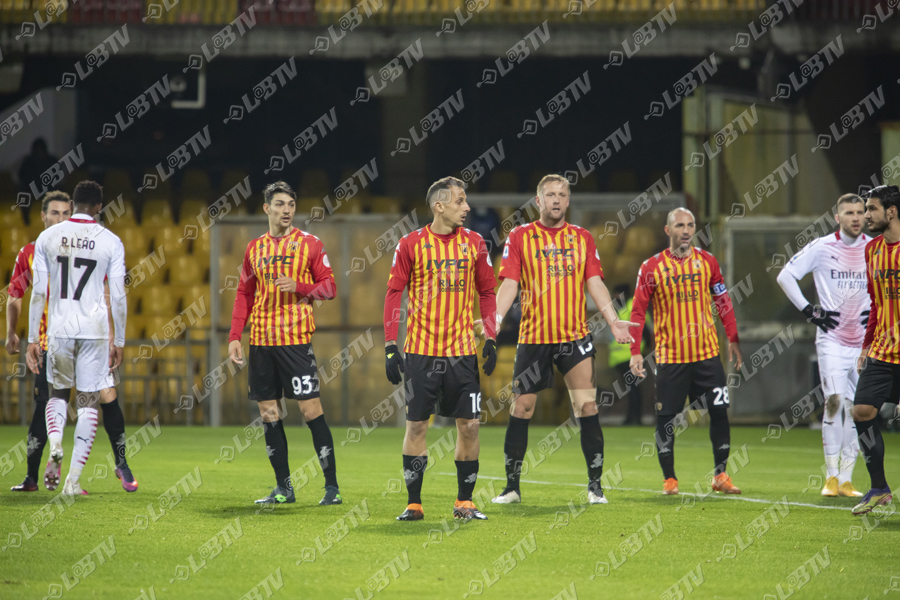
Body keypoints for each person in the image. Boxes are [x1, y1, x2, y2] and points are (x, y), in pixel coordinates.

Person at [490, 174, 637, 506]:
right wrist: (495, 321)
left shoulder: (582, 238)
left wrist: (613, 321)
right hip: (534, 338)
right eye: (550, 195)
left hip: (574, 338)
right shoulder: (520, 236)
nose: (556, 200)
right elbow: (509, 285)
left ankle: (595, 487)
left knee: (586, 406)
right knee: (523, 406)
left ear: (568, 201)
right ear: (538, 201)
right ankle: (511, 487)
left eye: (562, 194)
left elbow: (595, 283)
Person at [383, 176, 498, 521]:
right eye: (460, 201)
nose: (467, 207)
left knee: (471, 426)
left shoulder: (476, 243)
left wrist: (490, 335)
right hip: (421, 353)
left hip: (462, 354)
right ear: (439, 206)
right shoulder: (410, 244)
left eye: (465, 201)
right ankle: (414, 503)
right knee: (417, 427)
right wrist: (391, 345)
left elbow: (488, 293)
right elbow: (393, 294)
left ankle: (465, 502)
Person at [229, 181, 341, 506]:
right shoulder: (254, 249)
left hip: (295, 342)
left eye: (290, 204)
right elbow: (244, 294)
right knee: (269, 413)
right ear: (266, 208)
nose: (286, 210)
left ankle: (331, 488)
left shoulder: (310, 244)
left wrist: (299, 286)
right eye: (279, 204)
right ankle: (283, 489)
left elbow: (330, 287)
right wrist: (235, 336)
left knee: (310, 409)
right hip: (261, 343)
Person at [26, 181, 135, 496]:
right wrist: (121, 341)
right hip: (95, 331)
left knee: (58, 395)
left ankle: (56, 443)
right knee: (88, 401)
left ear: (72, 206)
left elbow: (39, 292)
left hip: (59, 328)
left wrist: (34, 336)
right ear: (99, 207)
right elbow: (118, 296)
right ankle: (72, 482)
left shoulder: (47, 237)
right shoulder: (111, 241)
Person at [629, 207, 743, 496]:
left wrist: (733, 337)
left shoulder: (708, 262)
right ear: (668, 231)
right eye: (680, 225)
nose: (686, 230)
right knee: (666, 418)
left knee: (719, 413)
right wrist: (635, 351)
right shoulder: (651, 267)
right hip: (671, 359)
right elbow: (638, 312)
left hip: (707, 357)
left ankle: (721, 475)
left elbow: (722, 300)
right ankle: (670, 479)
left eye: (690, 225)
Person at [776, 194, 868, 498]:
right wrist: (809, 310)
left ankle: (846, 480)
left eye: (860, 212)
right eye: (849, 213)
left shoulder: (874, 248)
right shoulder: (821, 247)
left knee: (857, 409)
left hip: (864, 342)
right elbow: (785, 276)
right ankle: (830, 477)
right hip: (832, 339)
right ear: (837, 217)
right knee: (834, 401)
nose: (856, 217)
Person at [6, 191, 71, 491]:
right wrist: (11, 333)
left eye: (65, 213)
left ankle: (62, 473)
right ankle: (35, 475)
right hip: (47, 343)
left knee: (76, 404)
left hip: (78, 341)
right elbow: (15, 296)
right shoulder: (29, 253)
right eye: (54, 213)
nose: (60, 219)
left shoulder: (81, 250)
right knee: (44, 404)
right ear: (43, 216)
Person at [851, 184, 900, 516]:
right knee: (862, 411)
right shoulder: (872, 251)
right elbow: (877, 302)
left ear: (891, 211)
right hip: (883, 350)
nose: (866, 215)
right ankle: (879, 488)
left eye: (871, 208)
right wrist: (866, 346)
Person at [608, 282, 651, 426]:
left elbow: (644, 331)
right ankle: (632, 417)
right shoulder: (620, 309)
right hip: (621, 357)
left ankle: (634, 418)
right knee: (631, 389)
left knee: (633, 389)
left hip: (630, 356)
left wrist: (641, 350)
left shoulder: (632, 307)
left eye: (617, 293)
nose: (614, 297)